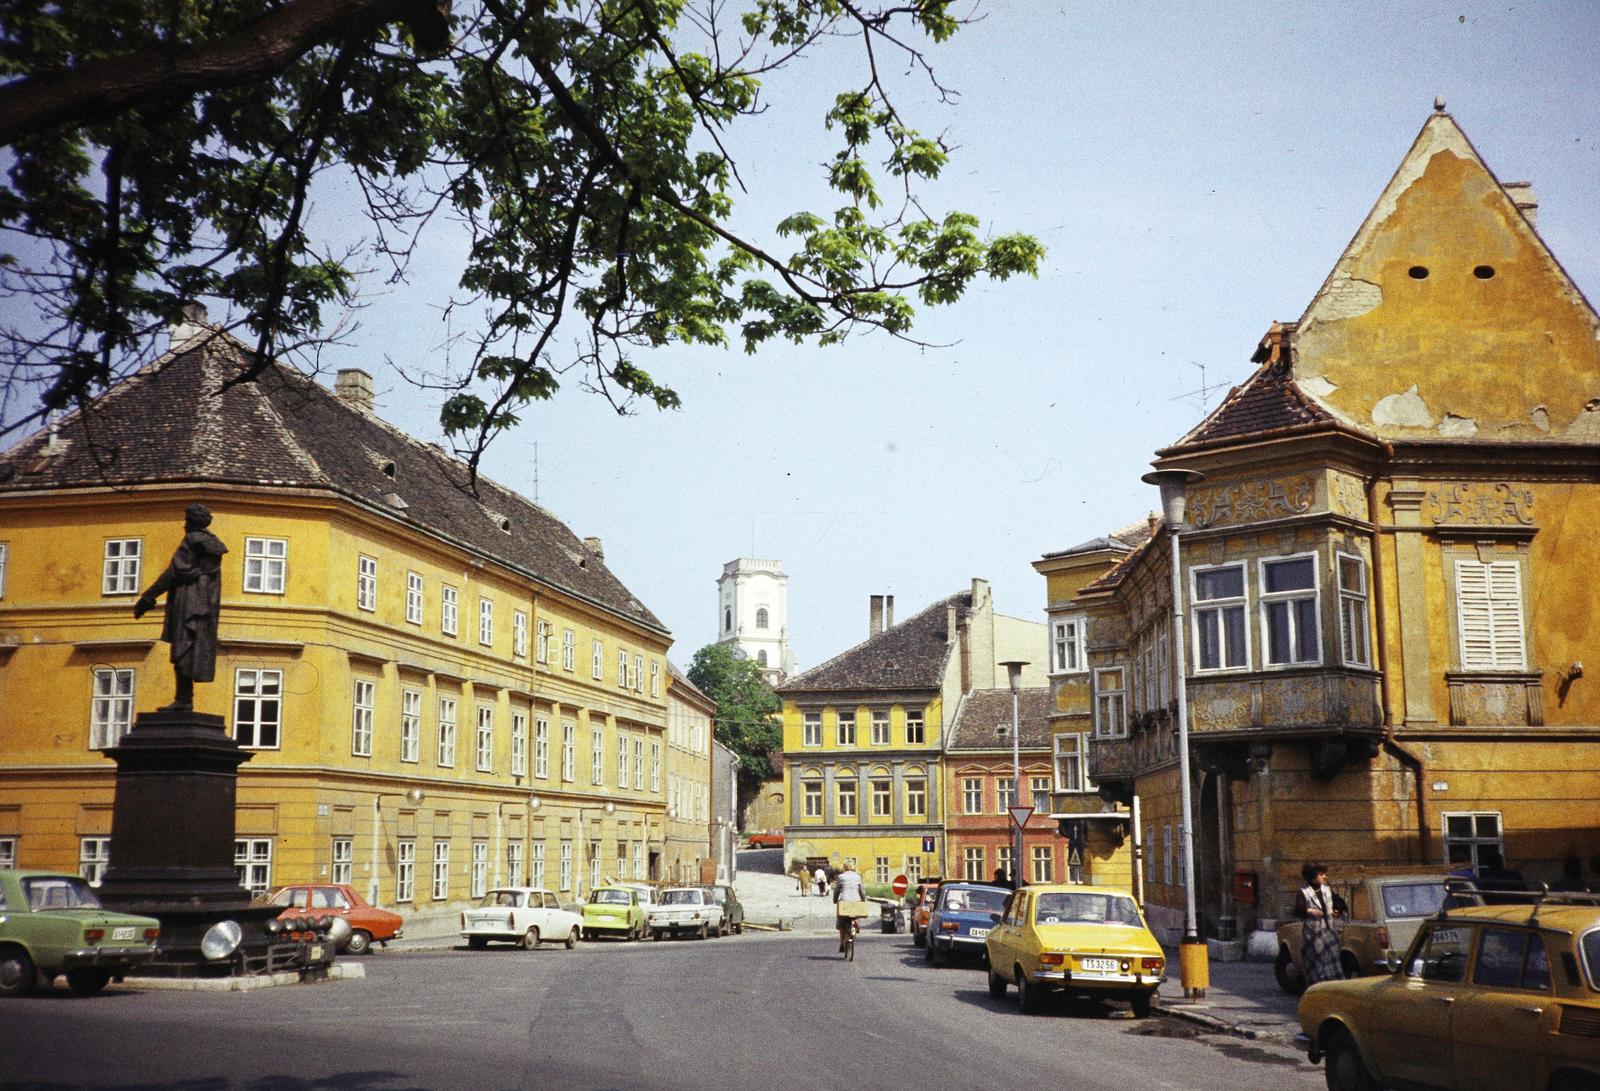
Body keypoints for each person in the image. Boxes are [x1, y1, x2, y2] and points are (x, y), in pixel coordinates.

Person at [134, 503, 228, 710]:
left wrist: (148, 597)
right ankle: (184, 698)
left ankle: (183, 699)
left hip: (188, 601)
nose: (184, 525)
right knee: (189, 648)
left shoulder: (192, 540)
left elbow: (174, 573)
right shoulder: (212, 543)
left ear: (192, 521)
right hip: (204, 604)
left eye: (187, 520)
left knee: (182, 647)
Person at [1294, 860, 1348, 984]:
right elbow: (1298, 910)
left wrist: (1336, 911)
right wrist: (1310, 911)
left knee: (1333, 961)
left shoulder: (1326, 889)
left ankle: (1333, 987)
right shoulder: (1304, 892)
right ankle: (1317, 988)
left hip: (1329, 931)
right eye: (1321, 874)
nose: (1324, 876)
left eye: (1324, 873)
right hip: (1313, 933)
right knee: (1317, 964)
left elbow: (1337, 904)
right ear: (1312, 877)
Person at [833, 861, 867, 952]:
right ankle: (854, 928)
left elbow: (837, 890)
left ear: (844, 867)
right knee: (856, 917)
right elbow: (862, 890)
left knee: (842, 923)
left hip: (844, 901)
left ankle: (841, 943)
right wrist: (864, 900)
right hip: (856, 901)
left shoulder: (841, 877)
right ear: (854, 867)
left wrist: (835, 900)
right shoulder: (858, 877)